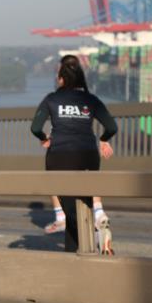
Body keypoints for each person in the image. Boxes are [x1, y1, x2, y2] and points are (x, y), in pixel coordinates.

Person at [30, 55, 117, 253]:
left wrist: (44, 137)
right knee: (83, 203)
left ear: (61, 79)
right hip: (88, 154)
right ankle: (73, 255)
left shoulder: (51, 99)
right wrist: (103, 139)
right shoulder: (91, 99)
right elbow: (111, 126)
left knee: (71, 212)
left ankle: (95, 235)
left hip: (60, 156)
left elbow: (35, 127)